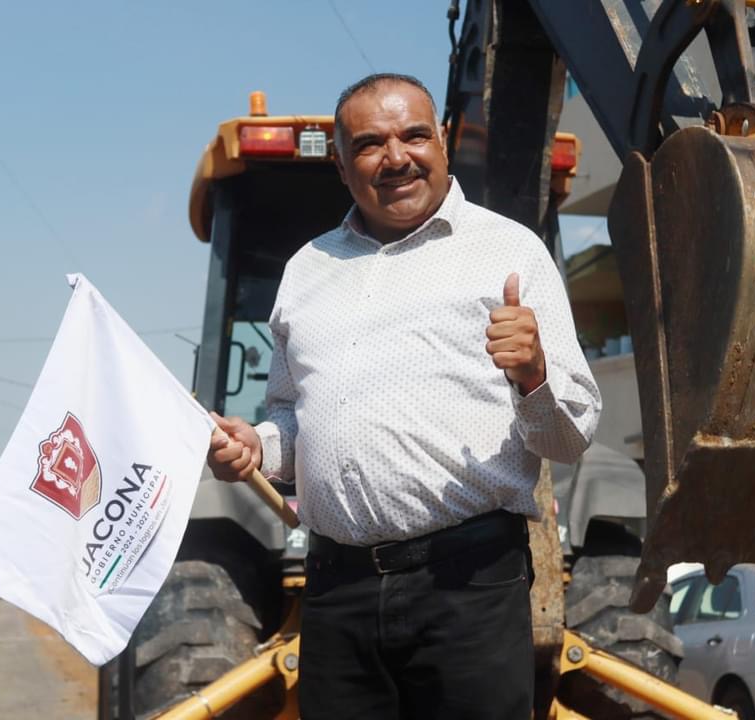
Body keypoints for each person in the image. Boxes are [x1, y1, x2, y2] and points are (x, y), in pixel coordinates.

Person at [207, 73, 600, 720]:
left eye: (414, 135)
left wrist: (533, 376)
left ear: (442, 142)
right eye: (369, 144)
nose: (396, 158)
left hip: (467, 586)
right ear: (340, 163)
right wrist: (257, 445)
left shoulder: (508, 251)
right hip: (337, 591)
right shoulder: (308, 271)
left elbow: (571, 440)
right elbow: (290, 421)